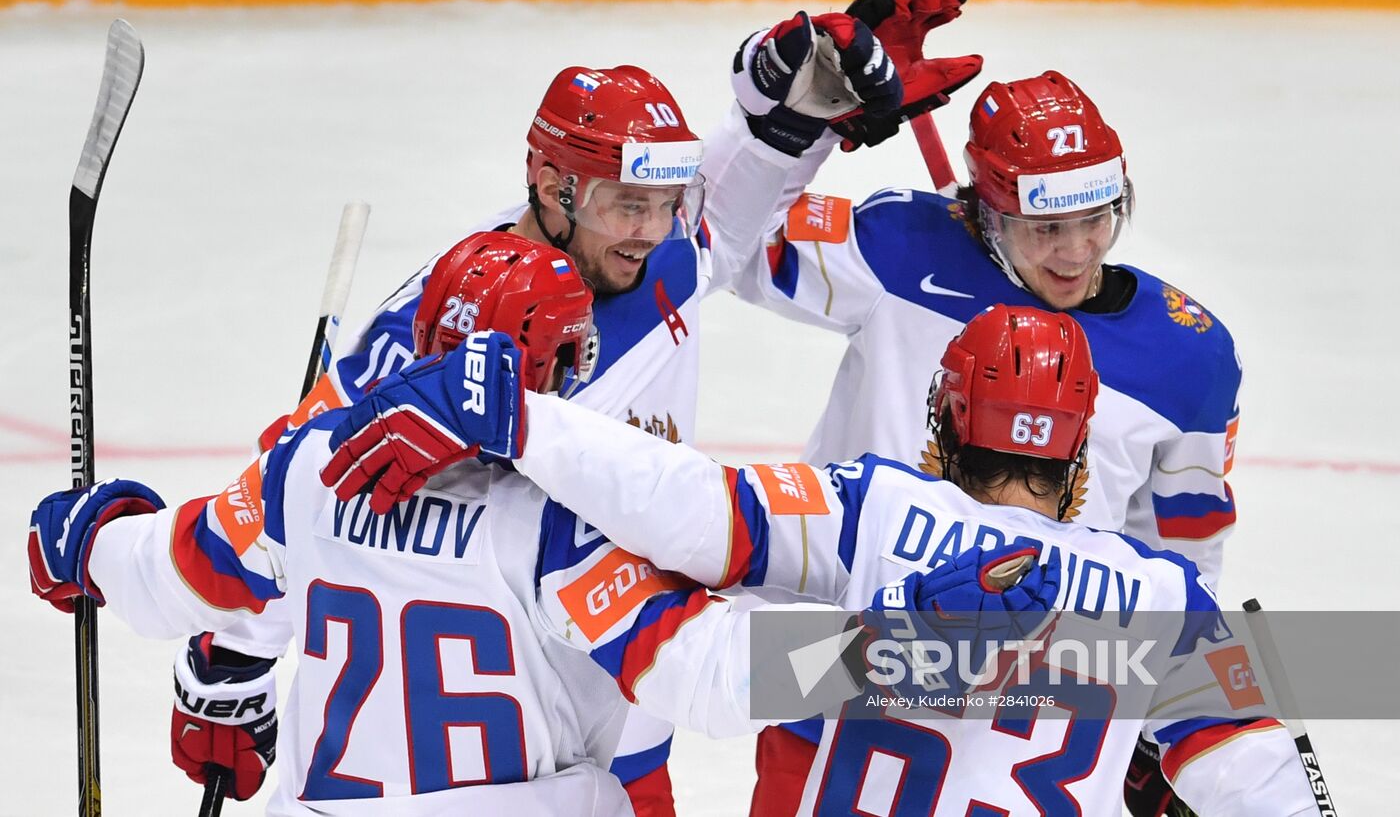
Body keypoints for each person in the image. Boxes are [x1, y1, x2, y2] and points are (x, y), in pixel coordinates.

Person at [160, 20, 946, 812]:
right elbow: (299, 494)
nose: (651, 230)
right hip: (510, 738)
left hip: (625, 697)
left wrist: (794, 116)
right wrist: (229, 657)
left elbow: (721, 228)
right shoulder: (440, 333)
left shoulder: (653, 251)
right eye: (627, 205)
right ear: (549, 185)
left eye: (663, 204)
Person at [27, 232, 1056, 816]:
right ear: (558, 366)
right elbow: (713, 674)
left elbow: (173, 571)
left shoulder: (310, 469)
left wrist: (88, 537)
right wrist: (900, 647)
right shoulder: (563, 521)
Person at [324, 303, 1313, 815]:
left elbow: (688, 505)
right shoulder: (1165, 600)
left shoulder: (870, 510)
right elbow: (1266, 789)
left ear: (941, 427)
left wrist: (521, 418)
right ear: (1079, 458)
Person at [690, 0, 1244, 811]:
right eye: (1044, 227)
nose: (1075, 251)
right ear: (985, 212)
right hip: (849, 668)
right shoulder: (902, 249)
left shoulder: (1187, 356)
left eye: (1096, 218)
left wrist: (1161, 722)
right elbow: (724, 244)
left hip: (1032, 715)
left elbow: (1181, 557)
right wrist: (817, 122)